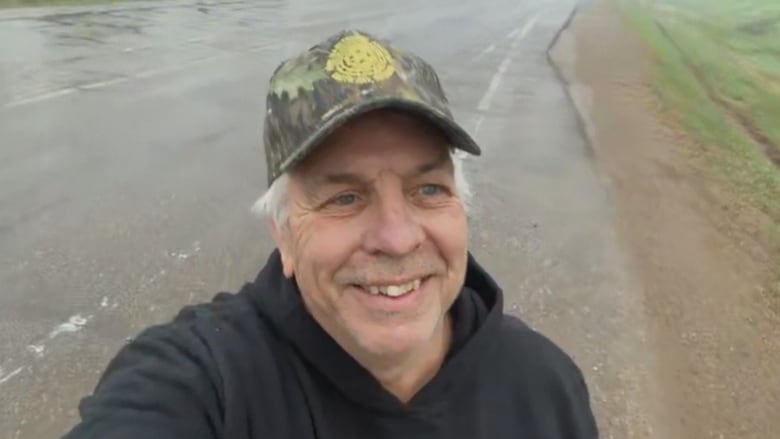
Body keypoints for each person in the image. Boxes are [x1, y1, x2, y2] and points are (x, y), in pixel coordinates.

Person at [63, 29, 599, 439]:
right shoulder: (209, 385)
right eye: (345, 197)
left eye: (428, 190)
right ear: (284, 234)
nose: (397, 238)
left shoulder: (544, 390)